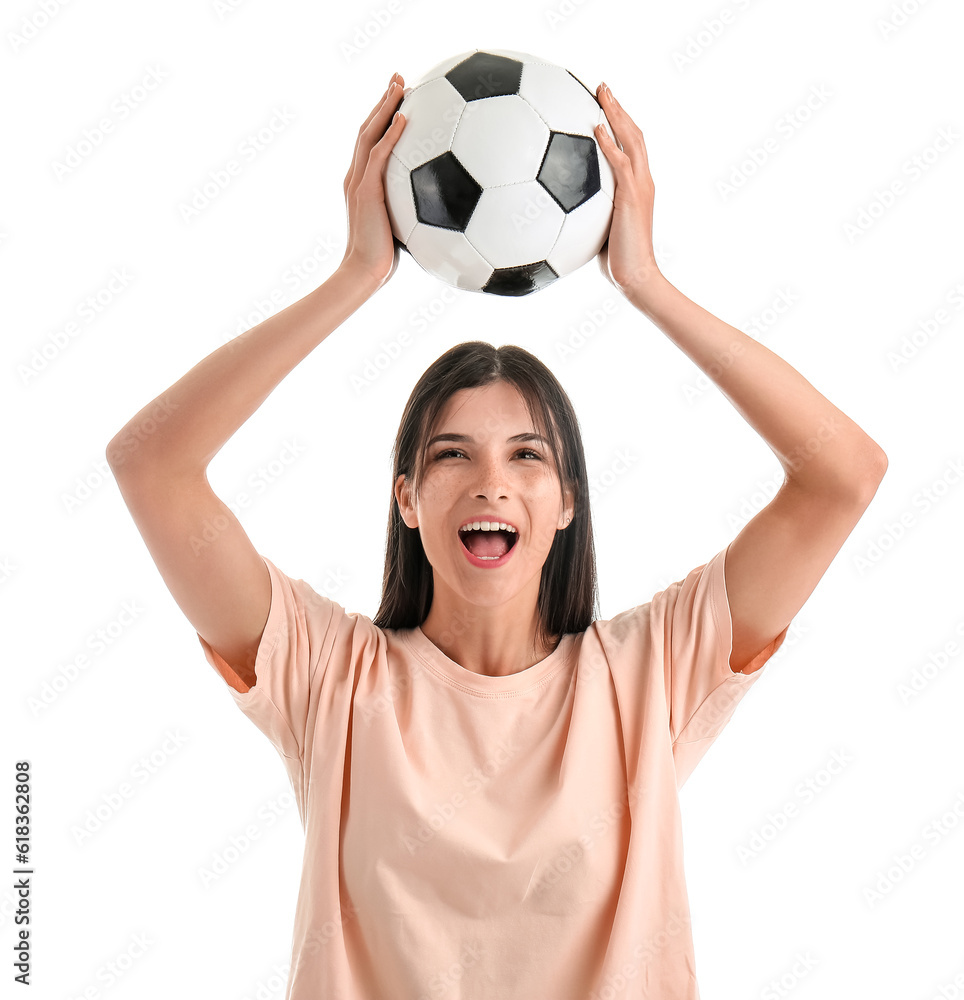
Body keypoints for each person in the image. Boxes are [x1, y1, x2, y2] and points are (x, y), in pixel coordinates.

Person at [106, 72, 888, 999]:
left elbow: (843, 475)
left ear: (566, 503)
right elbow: (150, 465)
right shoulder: (328, 677)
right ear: (406, 498)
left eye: (527, 457)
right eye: (450, 457)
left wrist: (646, 283)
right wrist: (354, 278)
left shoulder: (647, 676)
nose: (490, 484)